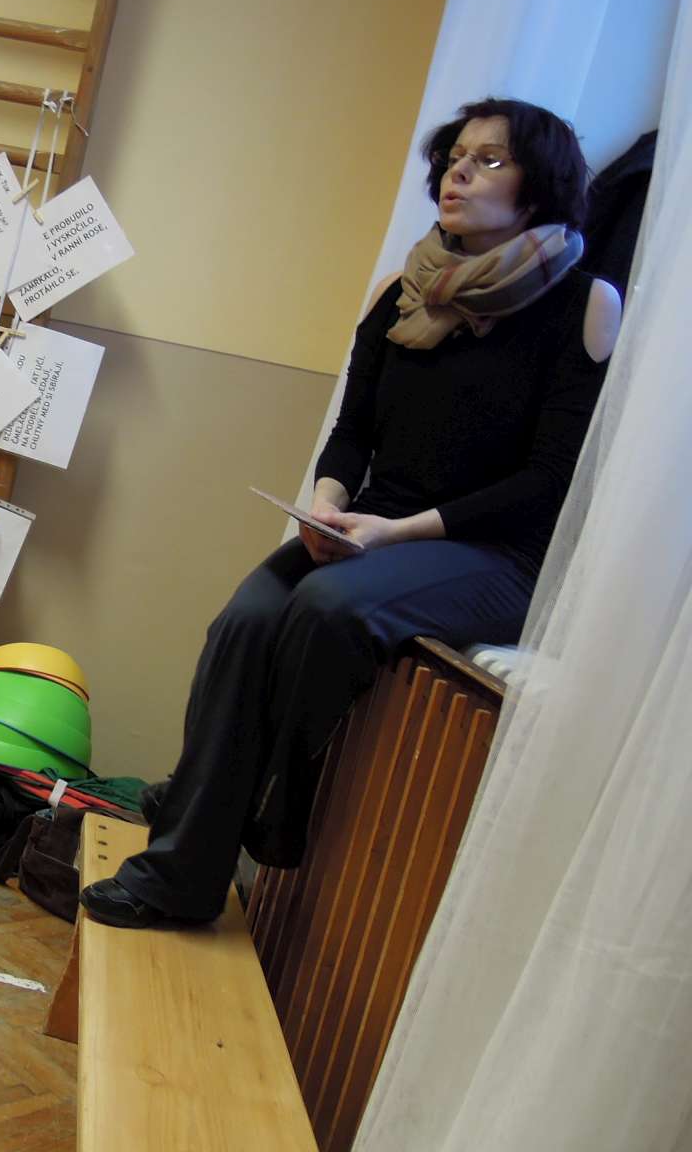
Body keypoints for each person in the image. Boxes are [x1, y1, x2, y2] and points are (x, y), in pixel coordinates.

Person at [81, 98, 622, 928]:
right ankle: (187, 870)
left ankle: (251, 808)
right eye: (454, 157)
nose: (459, 172)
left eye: (489, 160)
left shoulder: (585, 304)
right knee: (245, 620)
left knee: (328, 607)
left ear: (540, 185)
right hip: (374, 528)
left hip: (493, 555)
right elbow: (353, 434)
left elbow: (547, 481)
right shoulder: (399, 293)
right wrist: (327, 507)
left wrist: (392, 533)